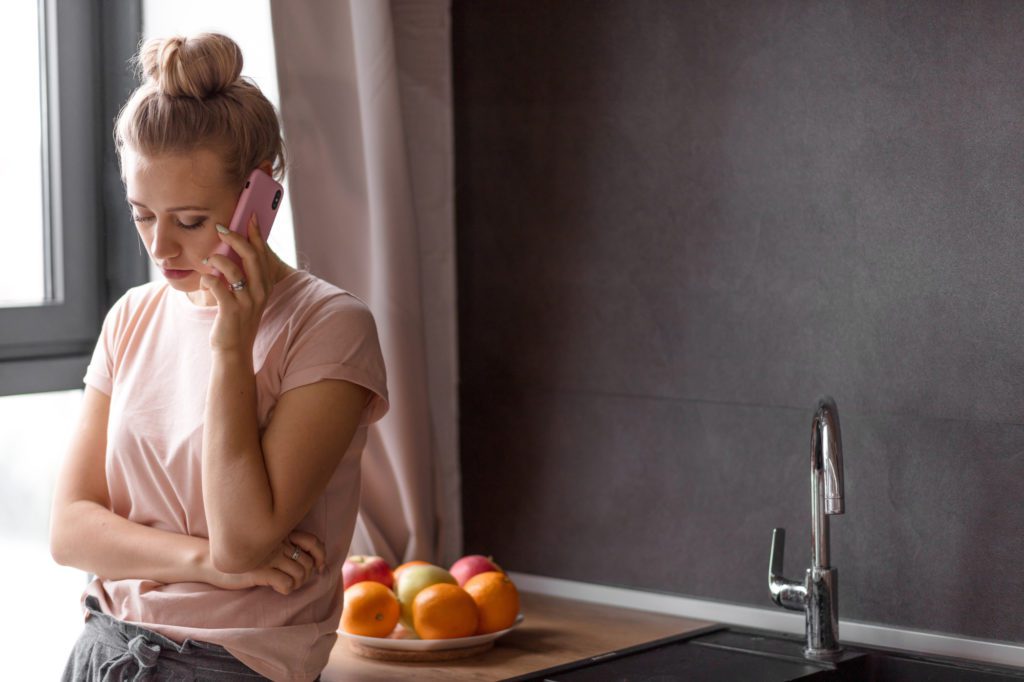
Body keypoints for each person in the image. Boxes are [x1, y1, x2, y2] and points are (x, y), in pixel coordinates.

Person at [49, 33, 388, 681]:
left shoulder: (330, 327)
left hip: (226, 664)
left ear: (263, 196)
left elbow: (246, 539)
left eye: (191, 220)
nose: (160, 247)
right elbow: (70, 531)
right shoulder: (131, 318)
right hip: (102, 646)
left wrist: (233, 343)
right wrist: (206, 564)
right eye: (142, 214)